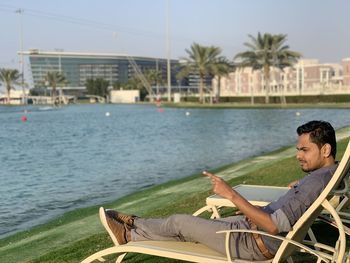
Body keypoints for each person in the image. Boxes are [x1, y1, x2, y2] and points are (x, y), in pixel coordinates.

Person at [99, 120, 338, 260]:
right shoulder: (328, 174)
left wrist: (230, 194)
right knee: (185, 228)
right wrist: (296, 186)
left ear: (325, 150)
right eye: (298, 149)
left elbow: (275, 226)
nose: (298, 156)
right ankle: (132, 231)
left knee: (180, 223)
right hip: (252, 232)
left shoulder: (316, 182)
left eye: (304, 150)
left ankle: (132, 228)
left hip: (252, 242)